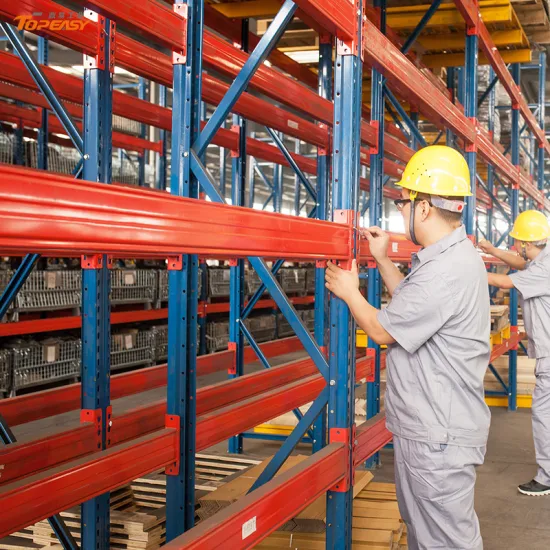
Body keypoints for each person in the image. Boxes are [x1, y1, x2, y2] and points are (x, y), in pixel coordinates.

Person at [325, 145, 490, 550]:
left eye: (403, 202)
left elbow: (384, 330)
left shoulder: (444, 272)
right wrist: (382, 261)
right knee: (429, 536)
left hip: (438, 435)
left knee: (446, 541)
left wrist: (350, 293)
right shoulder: (450, 259)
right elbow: (416, 309)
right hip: (437, 428)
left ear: (423, 209)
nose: (400, 212)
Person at [479, 210, 550, 496]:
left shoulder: (543, 269)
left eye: (518, 242)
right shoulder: (542, 258)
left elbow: (504, 282)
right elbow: (522, 263)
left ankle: (547, 477)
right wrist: (492, 251)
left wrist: (466, 267)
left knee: (544, 414)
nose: (518, 247)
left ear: (525, 242)